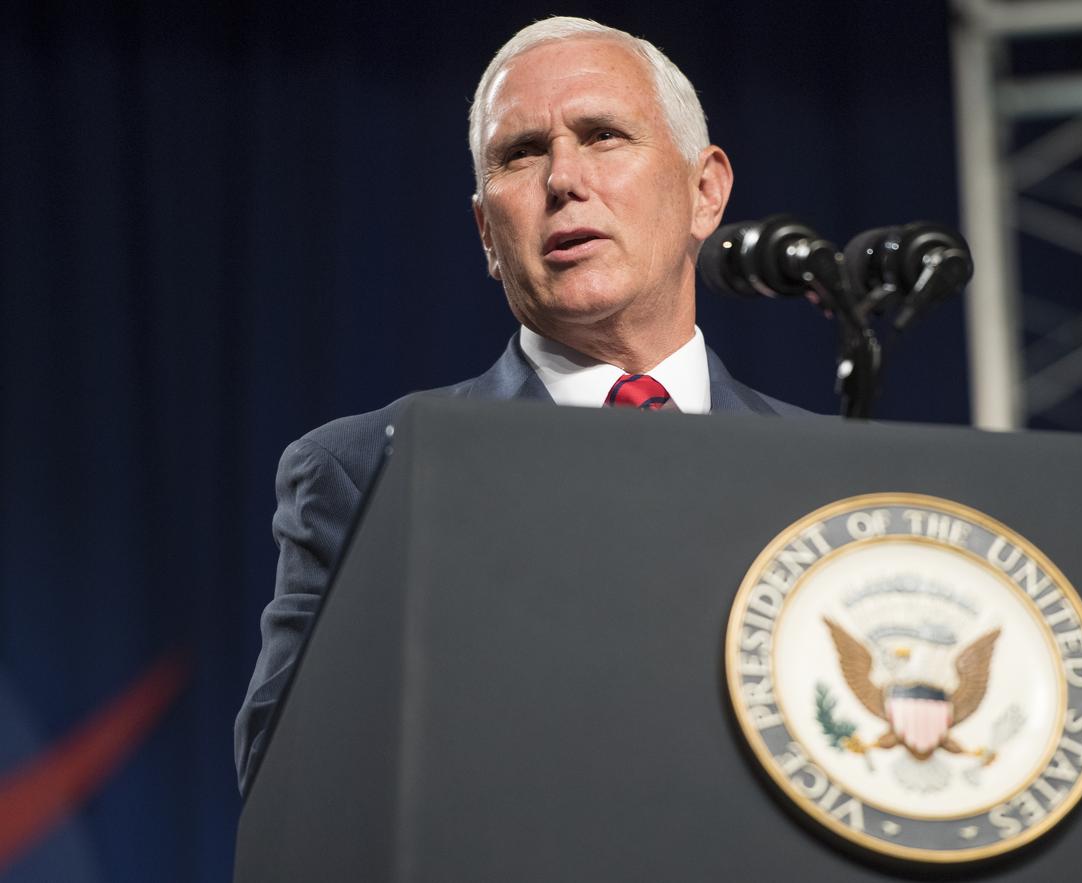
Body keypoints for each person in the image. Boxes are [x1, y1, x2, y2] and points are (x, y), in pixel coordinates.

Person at [234, 16, 806, 795]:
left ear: (705, 191)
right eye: (521, 153)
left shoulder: (827, 464)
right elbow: (287, 782)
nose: (563, 178)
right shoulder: (370, 469)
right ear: (485, 232)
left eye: (603, 135)